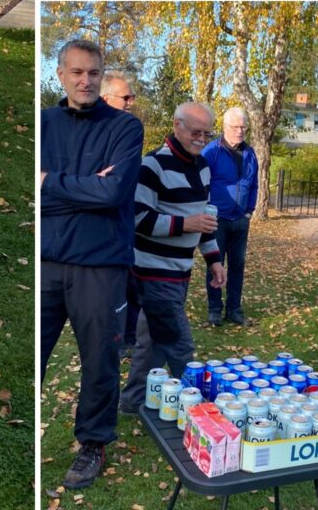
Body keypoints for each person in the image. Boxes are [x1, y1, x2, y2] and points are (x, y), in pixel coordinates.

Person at [41, 39, 144, 490]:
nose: (86, 81)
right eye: (77, 72)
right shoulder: (43, 123)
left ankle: (93, 442)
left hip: (101, 265)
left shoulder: (124, 127)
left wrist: (50, 183)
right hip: (47, 260)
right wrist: (81, 189)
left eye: (94, 73)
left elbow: (113, 194)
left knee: (100, 359)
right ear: (60, 74)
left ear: (103, 76)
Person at [120, 101, 223, 414]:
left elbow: (204, 219)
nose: (201, 139)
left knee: (150, 344)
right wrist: (185, 224)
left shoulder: (202, 167)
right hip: (154, 273)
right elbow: (137, 218)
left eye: (207, 134)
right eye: (195, 132)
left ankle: (132, 400)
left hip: (180, 272)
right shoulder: (152, 166)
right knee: (180, 345)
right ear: (177, 126)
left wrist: (214, 259)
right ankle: (197, 407)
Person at [201, 107, 258, 326]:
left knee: (237, 265)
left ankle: (234, 309)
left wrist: (249, 210)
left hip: (241, 220)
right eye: (236, 126)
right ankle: (214, 310)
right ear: (225, 127)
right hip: (217, 219)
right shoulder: (211, 151)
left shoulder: (250, 153)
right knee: (215, 263)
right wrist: (206, 210)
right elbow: (201, 182)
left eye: (244, 126)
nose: (240, 131)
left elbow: (253, 184)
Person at [99, 71, 141, 350]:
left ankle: (128, 338)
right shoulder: (92, 131)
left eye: (131, 97)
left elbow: (119, 181)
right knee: (106, 297)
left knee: (131, 290)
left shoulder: (130, 130)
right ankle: (112, 340)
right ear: (105, 98)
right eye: (125, 97)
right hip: (97, 233)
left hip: (124, 226)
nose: (130, 102)